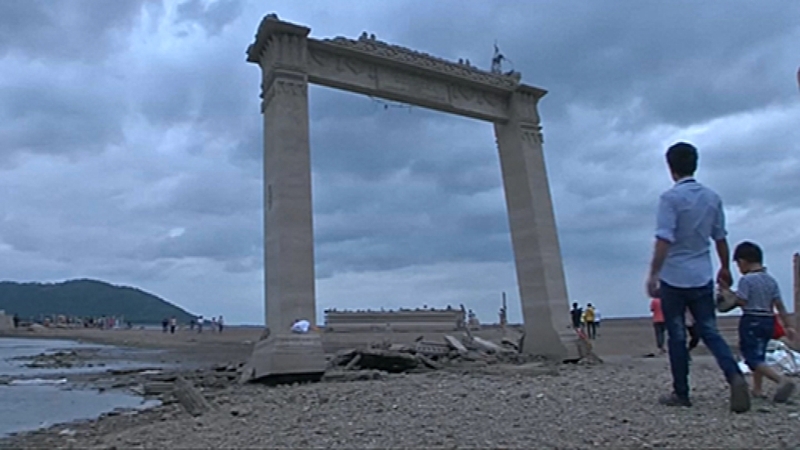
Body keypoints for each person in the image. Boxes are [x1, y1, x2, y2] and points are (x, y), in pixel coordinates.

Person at [645, 142, 749, 412]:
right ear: (695, 164)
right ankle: (734, 376)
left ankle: (682, 392)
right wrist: (725, 267)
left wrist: (653, 273)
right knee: (710, 331)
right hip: (702, 273)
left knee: (677, 335)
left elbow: (664, 240)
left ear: (671, 168)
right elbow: (720, 237)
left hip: (674, 276)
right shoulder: (712, 197)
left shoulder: (670, 199)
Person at [719, 241, 796, 402]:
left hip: (751, 319)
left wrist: (727, 293)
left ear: (742, 261)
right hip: (768, 320)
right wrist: (788, 325)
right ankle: (757, 389)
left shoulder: (747, 280)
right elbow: (779, 305)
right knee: (760, 354)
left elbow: (741, 301)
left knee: (751, 358)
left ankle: (780, 380)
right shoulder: (770, 280)